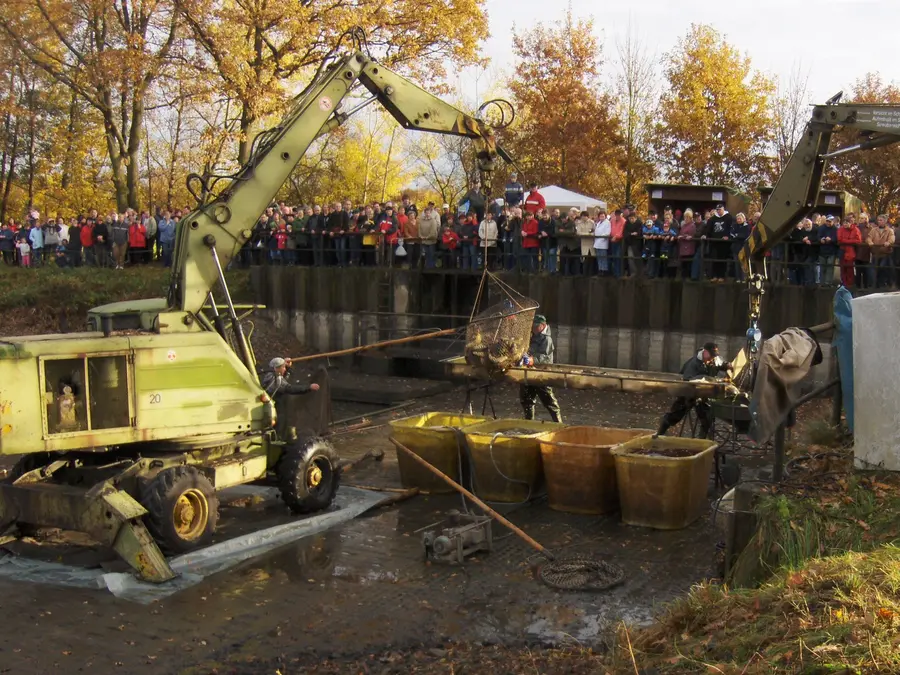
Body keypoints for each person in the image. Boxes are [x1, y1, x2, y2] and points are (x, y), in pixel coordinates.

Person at [656, 342, 732, 439]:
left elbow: (722, 364)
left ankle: (701, 439)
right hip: (688, 391)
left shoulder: (715, 359)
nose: (712, 358)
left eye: (714, 356)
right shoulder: (693, 364)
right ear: (705, 352)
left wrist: (728, 366)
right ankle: (659, 433)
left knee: (707, 416)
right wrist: (706, 381)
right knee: (676, 414)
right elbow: (688, 381)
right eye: (711, 356)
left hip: (704, 393)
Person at [262, 357, 321, 437]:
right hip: (274, 406)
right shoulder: (272, 379)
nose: (285, 369)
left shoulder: (272, 375)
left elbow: (284, 379)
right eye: (283, 367)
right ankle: (278, 438)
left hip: (278, 405)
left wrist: (288, 367)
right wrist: (308, 387)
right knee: (279, 423)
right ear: (276, 368)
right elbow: (289, 388)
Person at [519, 315, 562, 423]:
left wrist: (532, 360)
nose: (533, 328)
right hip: (529, 372)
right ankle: (529, 422)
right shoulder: (531, 336)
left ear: (543, 326)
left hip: (542, 373)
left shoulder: (547, 339)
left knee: (549, 401)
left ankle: (559, 423)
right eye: (532, 326)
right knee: (526, 399)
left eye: (536, 326)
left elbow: (545, 357)